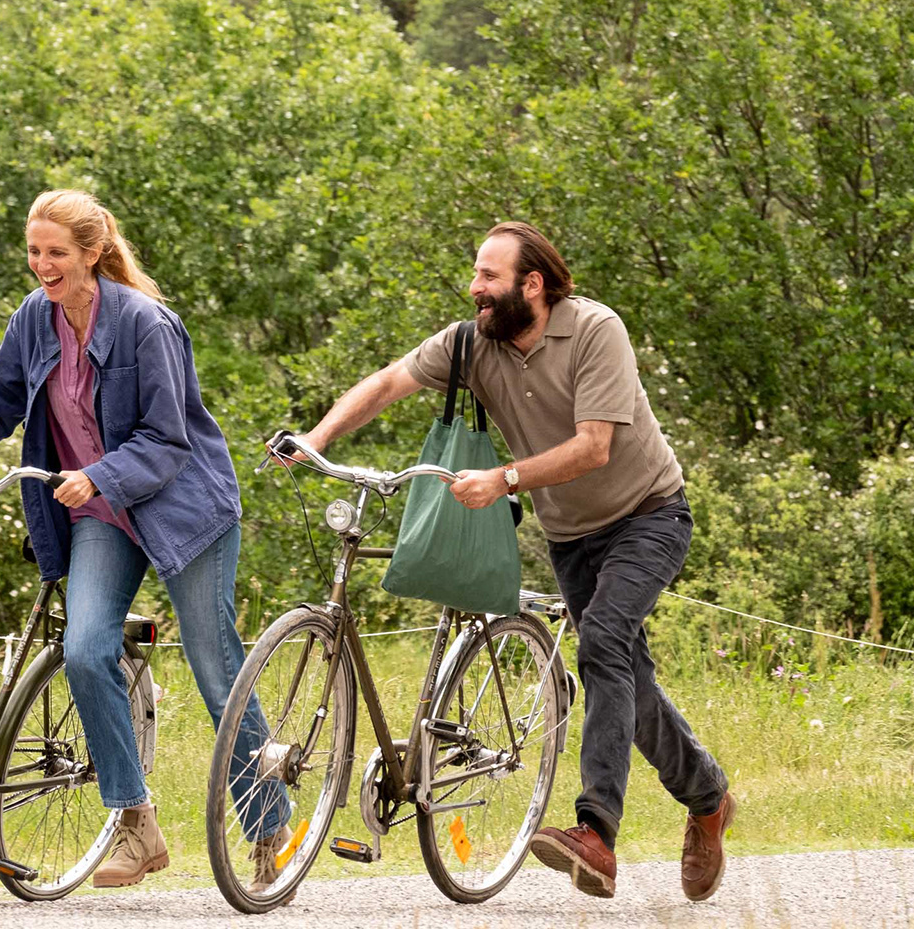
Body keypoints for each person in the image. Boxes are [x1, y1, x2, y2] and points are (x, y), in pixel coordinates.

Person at [287, 220, 733, 901]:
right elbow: (386, 383)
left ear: (533, 283)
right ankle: (708, 797)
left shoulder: (593, 330)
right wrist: (313, 439)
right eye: (475, 275)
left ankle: (595, 834)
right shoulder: (472, 343)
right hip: (571, 535)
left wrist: (504, 479)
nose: (475, 289)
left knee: (606, 644)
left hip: (648, 515)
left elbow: (594, 448)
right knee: (625, 680)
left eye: (489, 277)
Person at [0, 189, 288, 890]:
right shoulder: (33, 320)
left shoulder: (146, 324)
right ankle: (136, 820)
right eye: (35, 251)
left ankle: (269, 821)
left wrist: (98, 474)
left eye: (56, 252)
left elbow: (168, 438)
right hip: (100, 512)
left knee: (216, 667)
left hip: (184, 508)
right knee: (86, 650)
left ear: (92, 254)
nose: (42, 264)